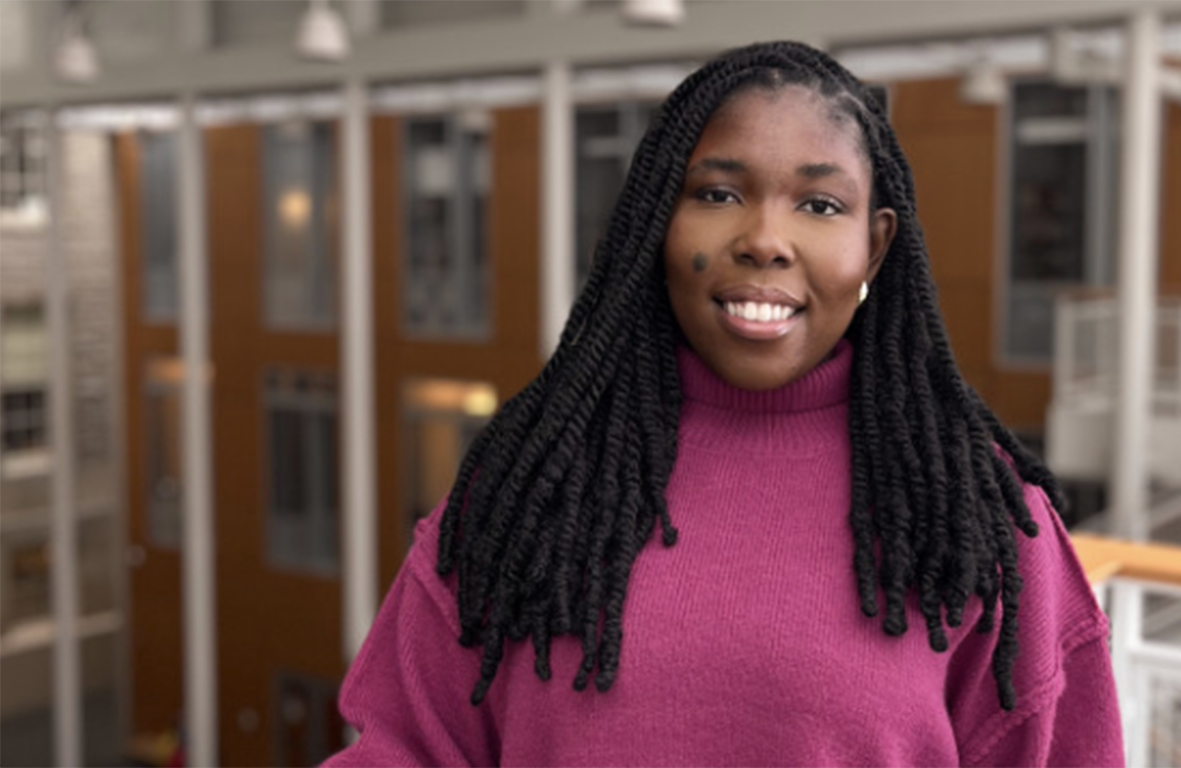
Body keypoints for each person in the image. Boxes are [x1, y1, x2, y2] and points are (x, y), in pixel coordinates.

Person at [324, 41, 1122, 767]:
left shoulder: (978, 518)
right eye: (716, 193)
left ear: (874, 244)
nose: (765, 239)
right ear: (654, 226)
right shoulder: (531, 490)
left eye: (820, 205)